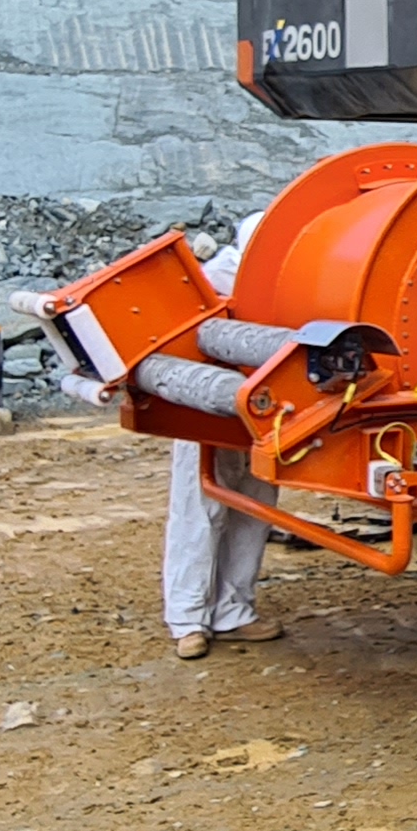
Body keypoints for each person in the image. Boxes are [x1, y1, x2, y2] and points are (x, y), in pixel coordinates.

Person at [165, 212, 284, 661]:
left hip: (266, 407)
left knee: (254, 507)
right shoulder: (213, 279)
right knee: (200, 508)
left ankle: (233, 610)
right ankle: (187, 618)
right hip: (207, 404)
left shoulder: (288, 280)